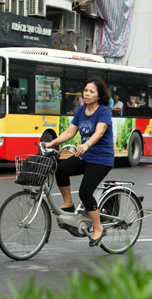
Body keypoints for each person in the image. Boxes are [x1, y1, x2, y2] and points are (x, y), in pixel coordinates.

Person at [42, 76, 115, 247]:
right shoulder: (81, 111)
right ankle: (68, 203)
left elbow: (99, 132)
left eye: (91, 91)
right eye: (86, 90)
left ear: (99, 95)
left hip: (101, 159)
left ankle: (98, 229)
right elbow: (70, 132)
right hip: (85, 156)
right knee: (60, 169)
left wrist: (87, 144)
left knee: (85, 192)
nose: (87, 94)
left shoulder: (103, 111)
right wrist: (51, 143)